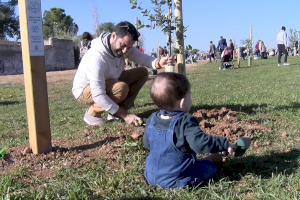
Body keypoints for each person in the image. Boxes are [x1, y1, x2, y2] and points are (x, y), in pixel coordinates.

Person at [143, 72, 235, 189]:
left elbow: (147, 144)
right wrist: (223, 143)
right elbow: (200, 144)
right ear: (182, 102)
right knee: (212, 160)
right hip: (178, 180)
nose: (190, 99)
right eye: (189, 96)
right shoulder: (185, 121)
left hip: (151, 176)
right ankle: (217, 158)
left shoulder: (151, 119)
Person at [72, 21, 173, 126]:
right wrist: (126, 116)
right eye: (123, 45)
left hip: (109, 81)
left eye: (129, 47)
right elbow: (98, 94)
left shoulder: (123, 47)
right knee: (120, 88)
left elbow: (143, 58)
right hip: (85, 89)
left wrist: (158, 62)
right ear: (114, 35)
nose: (125, 51)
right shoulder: (96, 57)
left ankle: (116, 113)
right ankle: (92, 114)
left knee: (142, 72)